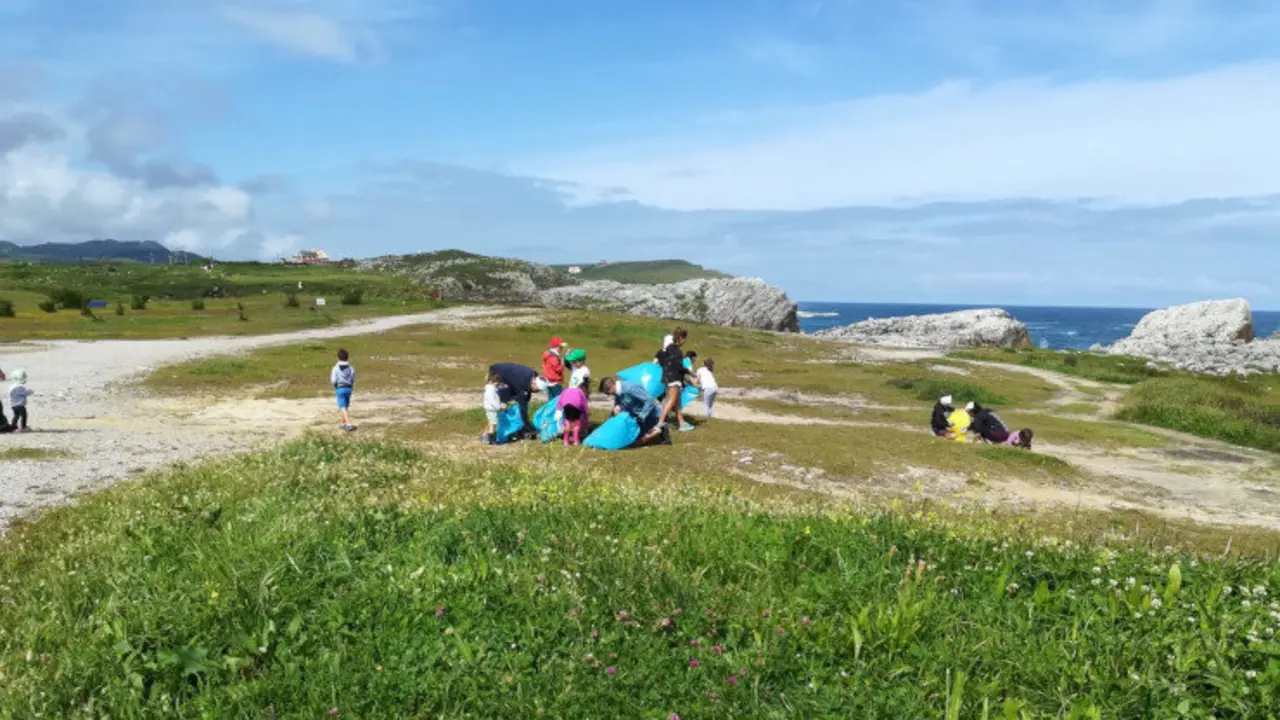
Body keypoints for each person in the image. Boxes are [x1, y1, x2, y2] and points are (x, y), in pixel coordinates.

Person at [599, 376, 671, 447]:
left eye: (608, 393)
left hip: (653, 416)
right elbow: (622, 404)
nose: (609, 395)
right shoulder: (618, 393)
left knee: (634, 443)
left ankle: (658, 430)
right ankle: (652, 431)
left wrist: (642, 416)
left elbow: (649, 401)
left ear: (611, 388)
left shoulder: (631, 388)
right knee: (628, 440)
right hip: (639, 417)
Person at [489, 362, 549, 436]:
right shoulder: (523, 382)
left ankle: (513, 422)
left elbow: (527, 393)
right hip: (498, 372)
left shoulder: (533, 377)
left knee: (520, 398)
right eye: (537, 390)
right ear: (534, 384)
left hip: (509, 374)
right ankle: (496, 427)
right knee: (502, 401)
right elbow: (522, 402)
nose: (536, 392)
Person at [657, 328, 696, 432]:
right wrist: (689, 372)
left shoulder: (668, 349)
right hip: (674, 377)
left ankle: (682, 423)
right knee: (672, 400)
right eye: (684, 339)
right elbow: (678, 365)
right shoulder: (676, 350)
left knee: (677, 401)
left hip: (668, 377)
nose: (685, 341)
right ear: (680, 338)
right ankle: (659, 423)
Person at [330, 349, 356, 432]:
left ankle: (348, 423)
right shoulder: (351, 368)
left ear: (338, 357)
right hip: (348, 388)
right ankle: (343, 422)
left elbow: (333, 380)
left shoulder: (336, 368)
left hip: (340, 388)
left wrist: (335, 386)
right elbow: (353, 379)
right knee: (345, 406)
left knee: (342, 406)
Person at [481, 370, 504, 445]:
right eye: (496, 382)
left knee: (490, 423)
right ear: (491, 382)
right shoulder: (491, 391)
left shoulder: (491, 389)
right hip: (492, 410)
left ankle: (484, 437)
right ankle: (492, 440)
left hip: (490, 409)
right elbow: (493, 402)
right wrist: (499, 407)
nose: (497, 384)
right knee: (493, 425)